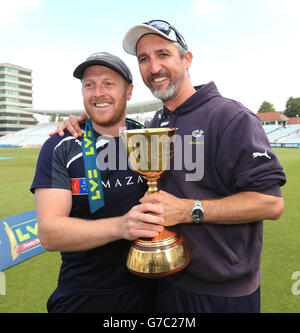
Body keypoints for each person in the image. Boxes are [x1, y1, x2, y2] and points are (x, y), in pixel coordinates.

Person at [54, 20, 287, 313]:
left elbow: (270, 204)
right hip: (164, 284)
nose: (154, 68)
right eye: (143, 59)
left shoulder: (231, 117)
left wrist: (190, 210)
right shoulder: (155, 123)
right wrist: (88, 118)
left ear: (186, 59)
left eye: (163, 54)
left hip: (222, 295)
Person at [30, 52, 165, 313]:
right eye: (89, 84)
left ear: (129, 91)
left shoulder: (149, 141)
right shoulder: (59, 147)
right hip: (84, 297)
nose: (97, 92)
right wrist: (121, 226)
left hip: (153, 293)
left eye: (108, 83)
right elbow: (49, 233)